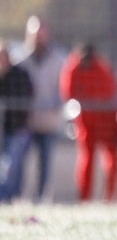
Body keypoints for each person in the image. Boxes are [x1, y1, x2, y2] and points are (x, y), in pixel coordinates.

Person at [60, 42, 117, 203]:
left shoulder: (101, 68)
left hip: (106, 121)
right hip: (86, 123)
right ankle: (84, 198)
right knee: (87, 160)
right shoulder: (73, 68)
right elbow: (68, 93)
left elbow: (108, 92)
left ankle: (110, 197)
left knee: (111, 160)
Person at [14, 16, 67, 202]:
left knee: (45, 165)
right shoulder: (19, 58)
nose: (39, 37)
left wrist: (57, 105)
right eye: (35, 34)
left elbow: (64, 88)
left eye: (42, 33)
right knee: (18, 163)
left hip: (49, 121)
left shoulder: (59, 58)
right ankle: (17, 197)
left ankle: (43, 199)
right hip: (25, 122)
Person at [0, 43, 34, 203]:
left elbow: (26, 99)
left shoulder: (19, 74)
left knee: (13, 167)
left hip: (15, 128)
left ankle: (8, 199)